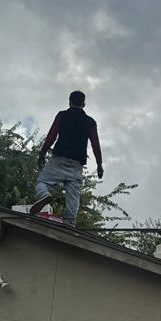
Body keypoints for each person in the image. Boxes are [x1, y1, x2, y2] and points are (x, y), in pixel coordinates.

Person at [31, 90, 103, 227]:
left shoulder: (62, 115)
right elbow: (95, 145)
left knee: (42, 182)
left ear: (70, 102)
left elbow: (52, 136)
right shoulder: (90, 122)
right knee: (73, 196)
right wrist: (99, 165)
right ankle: (70, 223)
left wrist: (42, 154)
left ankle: (44, 195)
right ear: (84, 104)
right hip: (77, 165)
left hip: (59, 159)